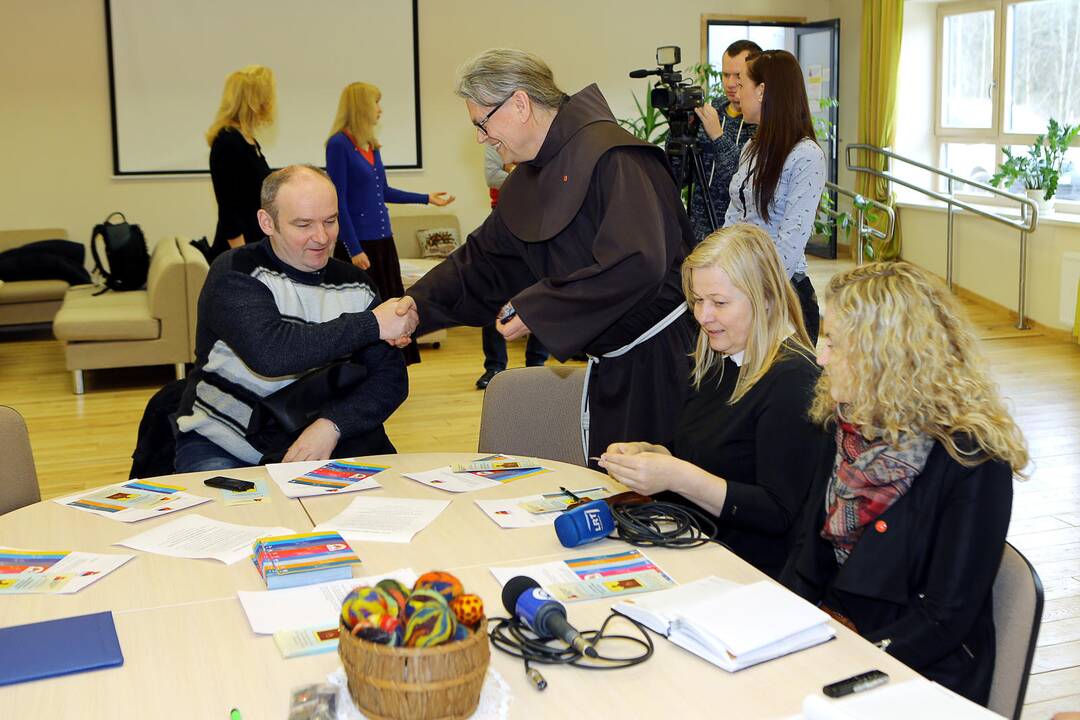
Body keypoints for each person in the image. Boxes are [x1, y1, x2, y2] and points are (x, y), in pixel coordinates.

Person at [397, 48, 696, 464]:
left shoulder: (614, 157)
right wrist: (416, 305)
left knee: (659, 501)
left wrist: (540, 307)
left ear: (519, 104)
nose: (481, 138)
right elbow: (482, 261)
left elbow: (637, 260)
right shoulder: (532, 177)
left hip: (662, 364)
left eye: (482, 124)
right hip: (614, 366)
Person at [781, 261, 1027, 705]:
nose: (820, 357)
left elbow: (944, 620)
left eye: (834, 343)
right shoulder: (846, 425)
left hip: (920, 673)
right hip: (839, 641)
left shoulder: (972, 458)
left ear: (883, 354)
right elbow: (807, 551)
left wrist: (842, 663)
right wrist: (777, 625)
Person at [599, 224, 827, 578]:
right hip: (695, 548)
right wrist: (656, 454)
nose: (703, 317)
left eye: (719, 303)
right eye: (697, 301)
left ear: (766, 298)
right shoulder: (719, 360)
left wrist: (677, 476)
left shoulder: (795, 381)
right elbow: (706, 451)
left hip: (751, 574)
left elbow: (779, 512)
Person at [173, 165, 415, 472]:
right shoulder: (236, 271)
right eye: (303, 225)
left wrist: (332, 426)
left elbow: (390, 379)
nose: (321, 237)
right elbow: (272, 353)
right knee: (235, 518)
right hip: (224, 441)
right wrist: (373, 325)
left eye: (331, 221)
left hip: (319, 438)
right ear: (267, 222)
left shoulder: (357, 284)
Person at [325, 82, 455, 365]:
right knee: (366, 309)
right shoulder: (338, 145)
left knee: (392, 303)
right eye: (376, 102)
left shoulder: (371, 145)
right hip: (360, 246)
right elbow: (340, 201)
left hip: (383, 241)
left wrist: (427, 198)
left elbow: (383, 190)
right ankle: (364, 366)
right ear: (361, 106)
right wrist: (353, 248)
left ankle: (391, 365)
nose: (380, 109)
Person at [724, 50, 826, 343]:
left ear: (762, 91)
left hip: (783, 295)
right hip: (744, 286)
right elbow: (734, 217)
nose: (735, 93)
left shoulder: (806, 156)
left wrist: (753, 291)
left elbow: (789, 245)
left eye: (741, 83)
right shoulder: (751, 149)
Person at [668, 39, 760, 241]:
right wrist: (677, 132)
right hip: (698, 233)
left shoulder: (760, 123)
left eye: (738, 76)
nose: (730, 83)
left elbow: (745, 184)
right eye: (726, 74)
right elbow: (679, 176)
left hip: (739, 238)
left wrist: (718, 137)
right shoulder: (710, 111)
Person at [476, 143, 549, 389]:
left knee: (543, 292)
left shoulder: (540, 141)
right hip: (502, 223)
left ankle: (536, 364)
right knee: (494, 293)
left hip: (540, 224)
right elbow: (492, 177)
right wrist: (526, 173)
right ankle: (494, 367)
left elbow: (549, 180)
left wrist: (513, 170)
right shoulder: (492, 143)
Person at [206, 65, 275, 262]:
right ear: (254, 99)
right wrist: (243, 257)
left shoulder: (248, 140)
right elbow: (228, 207)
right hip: (239, 251)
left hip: (256, 243)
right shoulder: (228, 141)